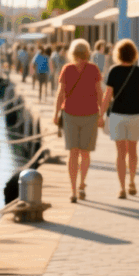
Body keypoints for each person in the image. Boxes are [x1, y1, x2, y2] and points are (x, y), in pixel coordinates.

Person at [52, 38, 104, 203]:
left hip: (70, 115)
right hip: (90, 115)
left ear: (72, 54)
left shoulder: (67, 69)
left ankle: (73, 190)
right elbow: (99, 93)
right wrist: (102, 114)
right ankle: (82, 184)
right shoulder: (93, 69)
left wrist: (55, 113)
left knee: (73, 153)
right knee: (85, 153)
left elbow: (60, 93)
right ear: (87, 53)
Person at [100, 38, 139, 200]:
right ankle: (132, 182)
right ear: (134, 54)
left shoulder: (113, 71)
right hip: (135, 114)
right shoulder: (138, 72)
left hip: (117, 115)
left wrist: (100, 114)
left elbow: (107, 97)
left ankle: (121, 188)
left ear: (118, 54)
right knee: (133, 151)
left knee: (120, 153)